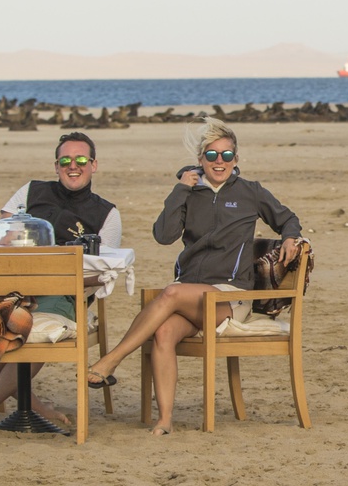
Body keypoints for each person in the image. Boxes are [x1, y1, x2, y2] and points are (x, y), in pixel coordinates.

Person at [86, 116, 301, 435]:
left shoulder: (250, 192)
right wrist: (180, 190)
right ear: (200, 159)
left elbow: (288, 219)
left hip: (231, 296)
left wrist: (290, 237)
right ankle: (165, 420)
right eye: (212, 155)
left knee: (170, 294)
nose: (219, 162)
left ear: (236, 159)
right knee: (163, 333)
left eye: (227, 155)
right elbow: (163, 235)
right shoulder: (188, 193)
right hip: (192, 296)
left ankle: (112, 360)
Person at [0, 131, 122, 426]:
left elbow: (103, 271)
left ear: (94, 165)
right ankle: (39, 410)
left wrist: (58, 277)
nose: (74, 166)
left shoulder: (106, 213)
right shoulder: (31, 191)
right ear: (56, 166)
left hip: (64, 293)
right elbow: (3, 235)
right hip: (14, 285)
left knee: (27, 326)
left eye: (81, 159)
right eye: (65, 160)